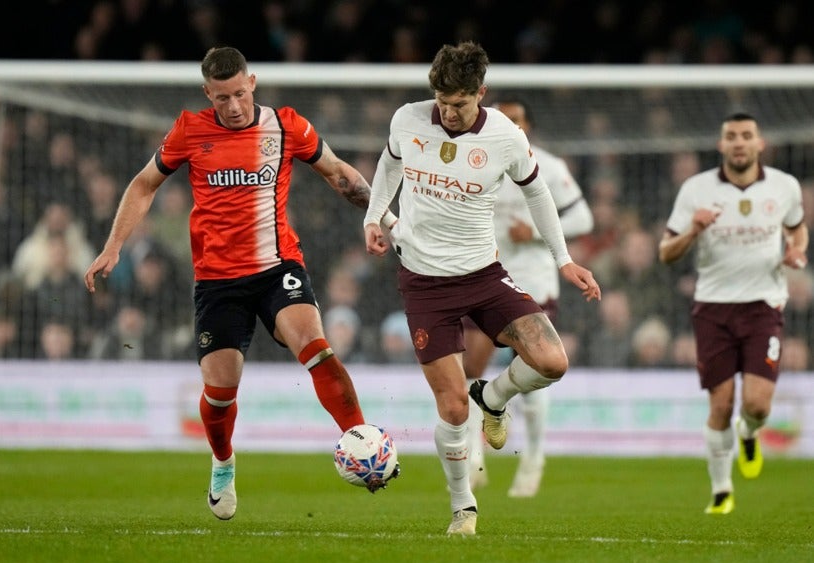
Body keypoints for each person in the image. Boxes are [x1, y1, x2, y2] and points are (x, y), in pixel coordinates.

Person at [84, 46, 398, 521]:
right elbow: (144, 185)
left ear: (252, 83)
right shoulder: (189, 130)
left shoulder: (287, 125)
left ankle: (362, 440)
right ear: (207, 94)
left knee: (316, 346)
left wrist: (388, 221)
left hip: (278, 268)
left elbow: (339, 176)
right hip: (217, 280)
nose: (232, 106)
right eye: (221, 97)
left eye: (238, 93)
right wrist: (113, 247)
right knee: (220, 391)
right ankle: (223, 461)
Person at [363, 41, 601, 535]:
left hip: (484, 276)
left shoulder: (506, 137)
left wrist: (564, 260)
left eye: (460, 104)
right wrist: (374, 217)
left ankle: (492, 398)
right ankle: (462, 506)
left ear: (481, 94)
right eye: (442, 102)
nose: (449, 113)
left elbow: (537, 193)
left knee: (553, 362)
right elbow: (388, 166)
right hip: (424, 283)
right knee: (451, 409)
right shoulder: (407, 119)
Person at [658, 112, 809, 515]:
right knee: (720, 405)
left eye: (747, 135)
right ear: (721, 145)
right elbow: (665, 253)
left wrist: (797, 250)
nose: (739, 142)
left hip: (764, 306)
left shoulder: (785, 186)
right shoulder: (696, 190)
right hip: (713, 309)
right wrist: (693, 230)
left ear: (760, 144)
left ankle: (749, 432)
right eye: (731, 136)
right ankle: (722, 490)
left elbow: (797, 227)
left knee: (757, 405)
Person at [461, 99, 594, 497]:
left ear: (528, 126)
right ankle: (472, 458)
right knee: (470, 366)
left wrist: (534, 232)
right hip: (485, 277)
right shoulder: (477, 161)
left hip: (535, 280)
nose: (511, 125)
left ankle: (534, 457)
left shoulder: (549, 168)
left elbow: (583, 219)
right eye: (504, 119)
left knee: (533, 370)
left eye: (517, 119)